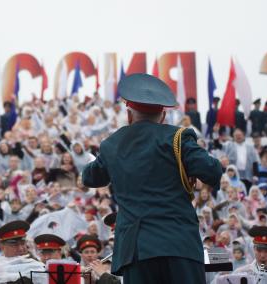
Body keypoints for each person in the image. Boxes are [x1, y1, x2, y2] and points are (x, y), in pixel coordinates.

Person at [82, 73, 223, 283]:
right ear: (163, 116)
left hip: (136, 251)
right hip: (179, 244)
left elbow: (90, 177)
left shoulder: (112, 144)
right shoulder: (178, 137)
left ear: (129, 115)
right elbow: (212, 171)